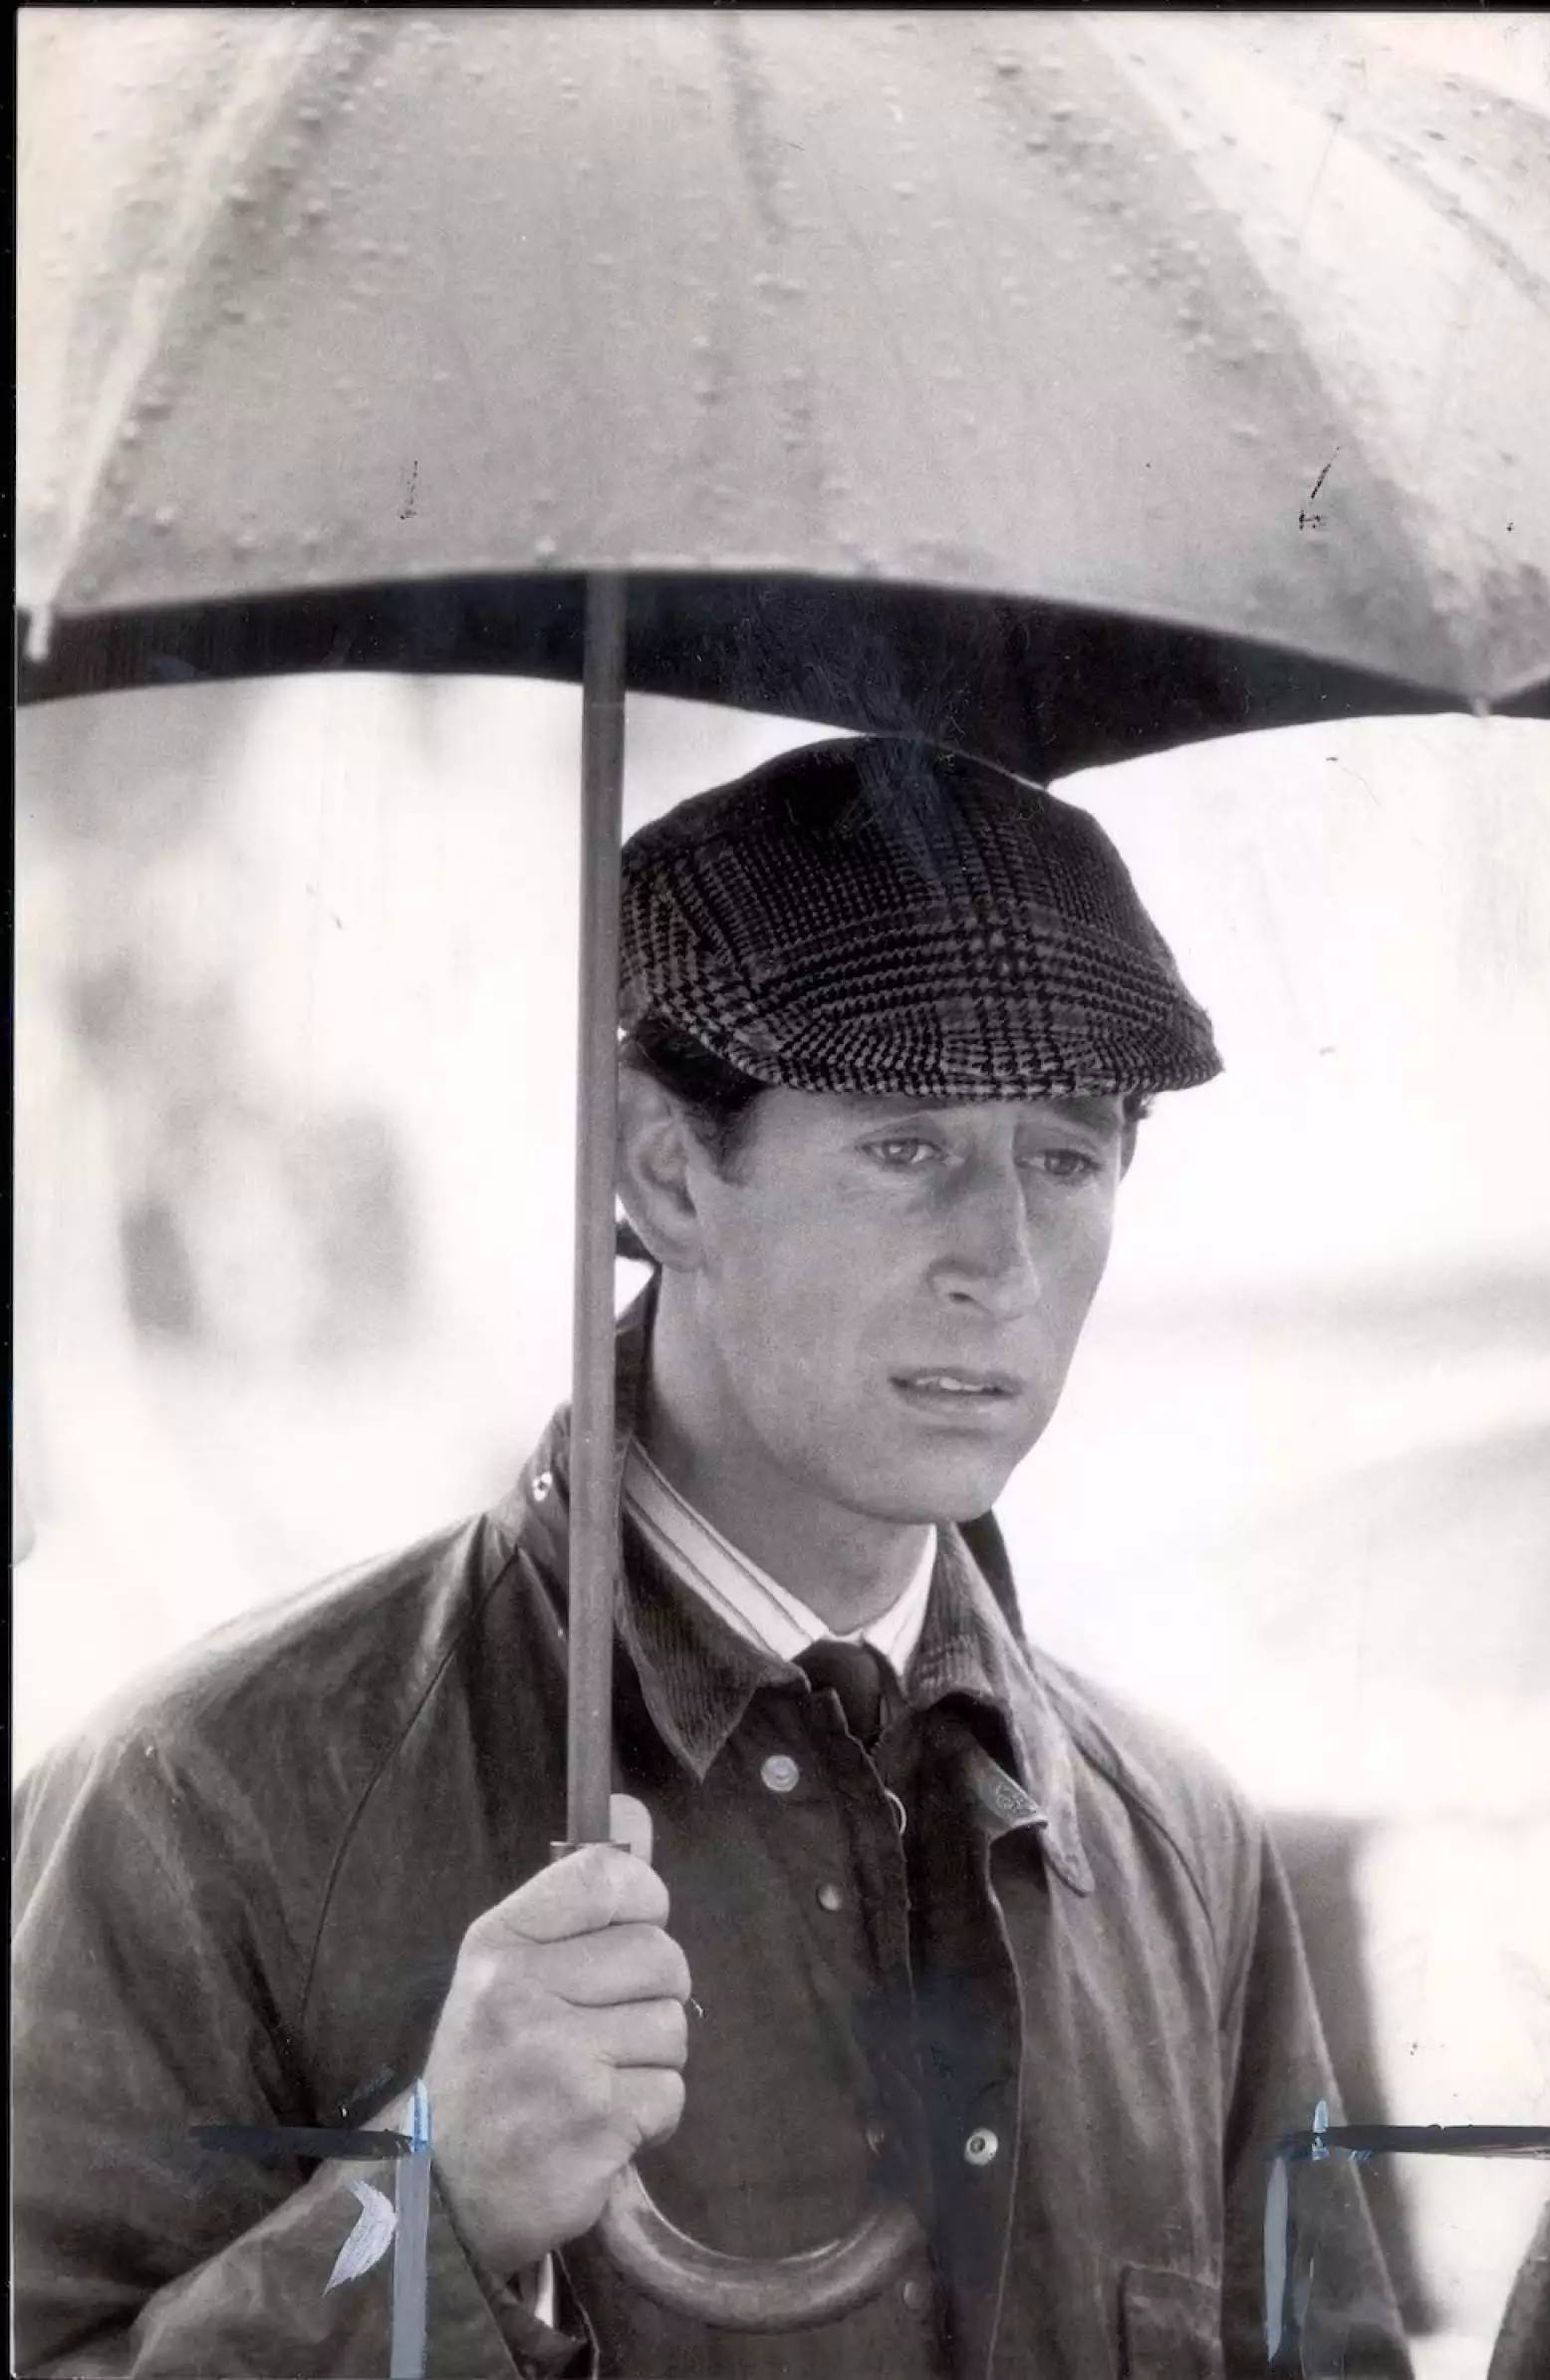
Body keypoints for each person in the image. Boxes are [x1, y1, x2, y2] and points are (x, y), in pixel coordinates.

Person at [12, 735, 1411, 2378]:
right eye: (907, 1144)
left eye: (1065, 1153)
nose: (1002, 1259)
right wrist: (424, 2212)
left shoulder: (1185, 1852)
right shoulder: (208, 1801)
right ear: (669, 1169)